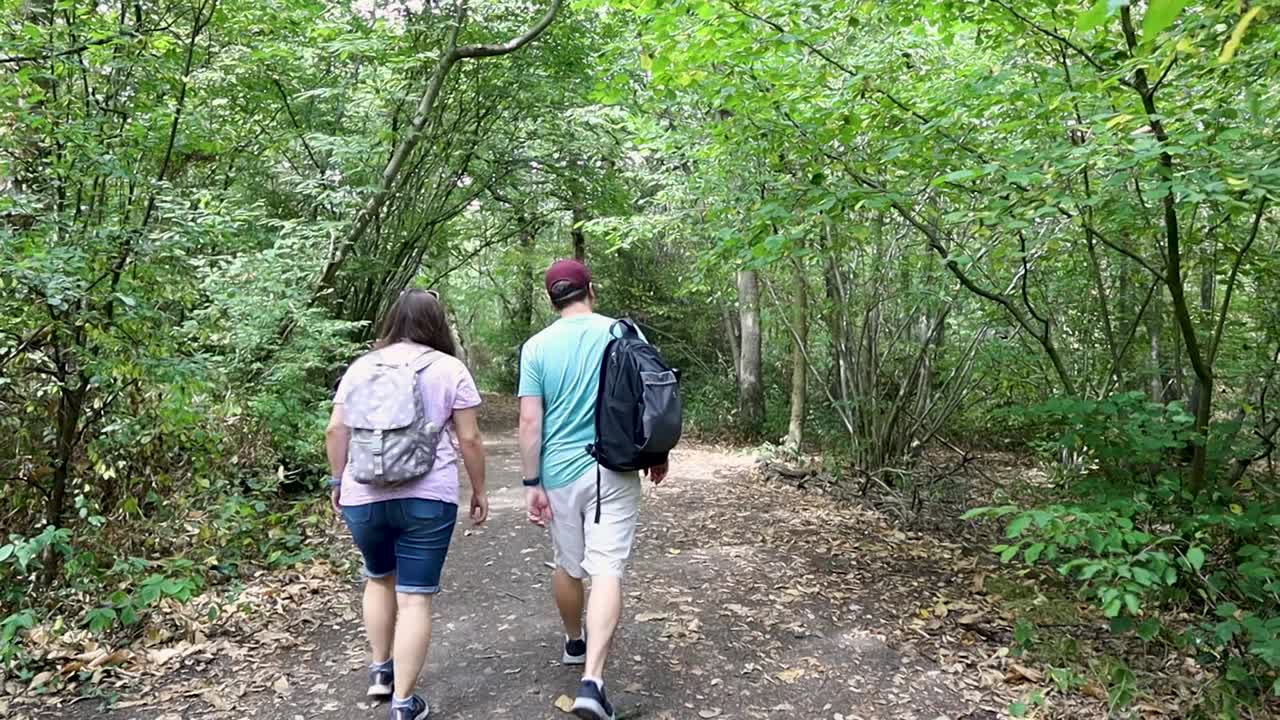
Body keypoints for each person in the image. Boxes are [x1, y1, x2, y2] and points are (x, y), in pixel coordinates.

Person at [517, 259, 669, 720]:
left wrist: (531, 482)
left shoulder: (536, 347)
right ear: (591, 291)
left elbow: (529, 421)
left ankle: (573, 641)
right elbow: (653, 397)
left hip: (560, 472)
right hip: (615, 467)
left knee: (568, 563)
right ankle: (593, 681)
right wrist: (656, 453)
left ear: (552, 298)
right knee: (607, 568)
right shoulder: (623, 334)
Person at [326, 289, 488, 720]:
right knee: (415, 598)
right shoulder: (449, 368)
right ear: (437, 324)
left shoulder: (361, 367)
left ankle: (381, 673)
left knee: (378, 579)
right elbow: (469, 437)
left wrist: (338, 481)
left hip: (364, 495)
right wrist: (479, 490)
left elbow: (334, 430)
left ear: (392, 320)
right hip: (427, 497)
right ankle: (404, 704)